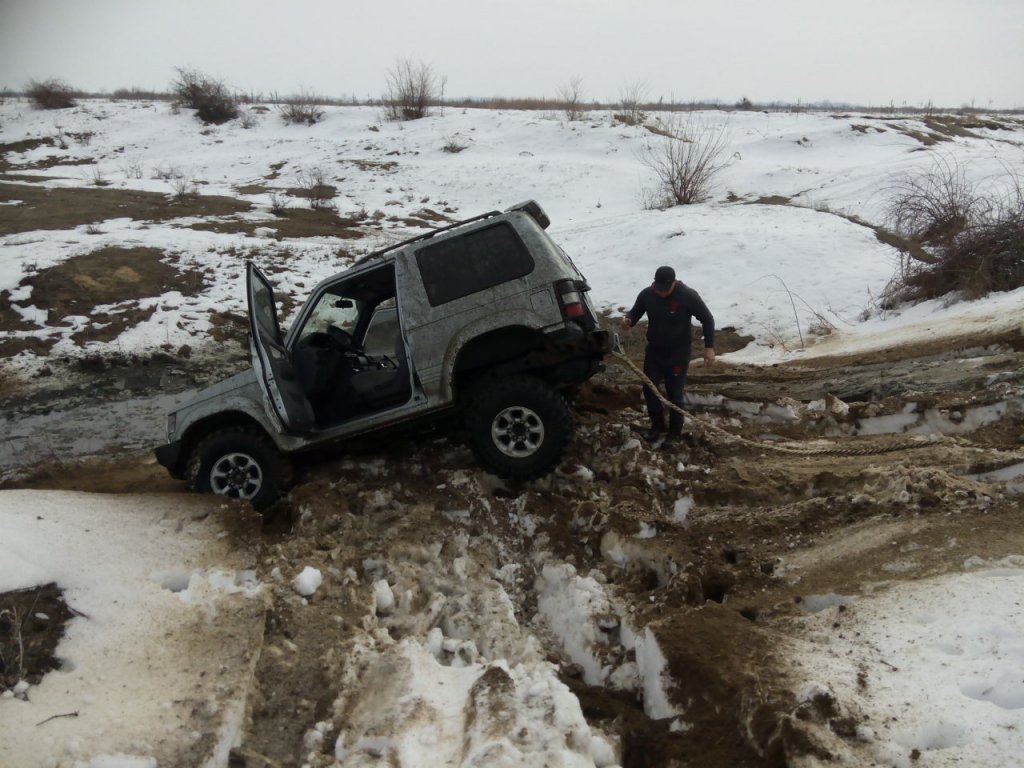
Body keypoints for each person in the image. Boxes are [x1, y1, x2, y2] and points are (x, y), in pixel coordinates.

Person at [621, 266, 715, 444]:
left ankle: (674, 433)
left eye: (665, 290)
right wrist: (628, 321)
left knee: (675, 395)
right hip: (655, 351)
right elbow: (635, 312)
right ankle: (657, 426)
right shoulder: (647, 295)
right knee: (650, 389)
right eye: (658, 289)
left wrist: (709, 347)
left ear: (673, 283)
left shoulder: (687, 296)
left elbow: (707, 318)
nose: (661, 293)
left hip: (678, 354)